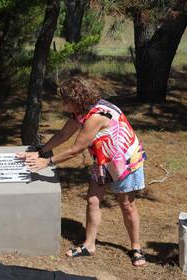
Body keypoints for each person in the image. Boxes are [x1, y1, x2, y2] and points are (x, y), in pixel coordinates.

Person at [18, 76, 147, 267]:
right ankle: (89, 245)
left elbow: (76, 149)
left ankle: (136, 248)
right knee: (93, 200)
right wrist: (40, 151)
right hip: (103, 160)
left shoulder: (95, 116)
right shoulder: (80, 113)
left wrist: (48, 162)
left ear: (77, 100)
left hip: (124, 161)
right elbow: (63, 135)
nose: (63, 106)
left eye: (66, 101)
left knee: (126, 205)